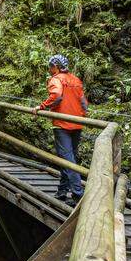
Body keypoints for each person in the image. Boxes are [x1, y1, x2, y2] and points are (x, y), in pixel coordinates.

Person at [31, 54, 88, 206]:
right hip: (77, 123)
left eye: (50, 66)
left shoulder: (55, 79)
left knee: (67, 158)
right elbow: (83, 102)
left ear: (55, 67)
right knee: (69, 158)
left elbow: (56, 95)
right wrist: (83, 115)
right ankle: (62, 191)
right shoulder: (75, 79)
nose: (49, 69)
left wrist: (41, 106)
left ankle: (78, 194)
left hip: (62, 124)